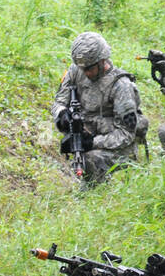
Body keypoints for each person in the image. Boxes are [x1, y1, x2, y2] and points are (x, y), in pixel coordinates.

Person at [51, 32, 147, 185]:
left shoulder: (121, 86)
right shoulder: (76, 70)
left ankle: (93, 192)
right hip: (87, 137)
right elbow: (58, 102)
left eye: (90, 68)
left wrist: (92, 142)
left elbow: (126, 134)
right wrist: (62, 114)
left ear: (102, 61)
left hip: (120, 147)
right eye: (82, 68)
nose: (86, 73)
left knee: (90, 159)